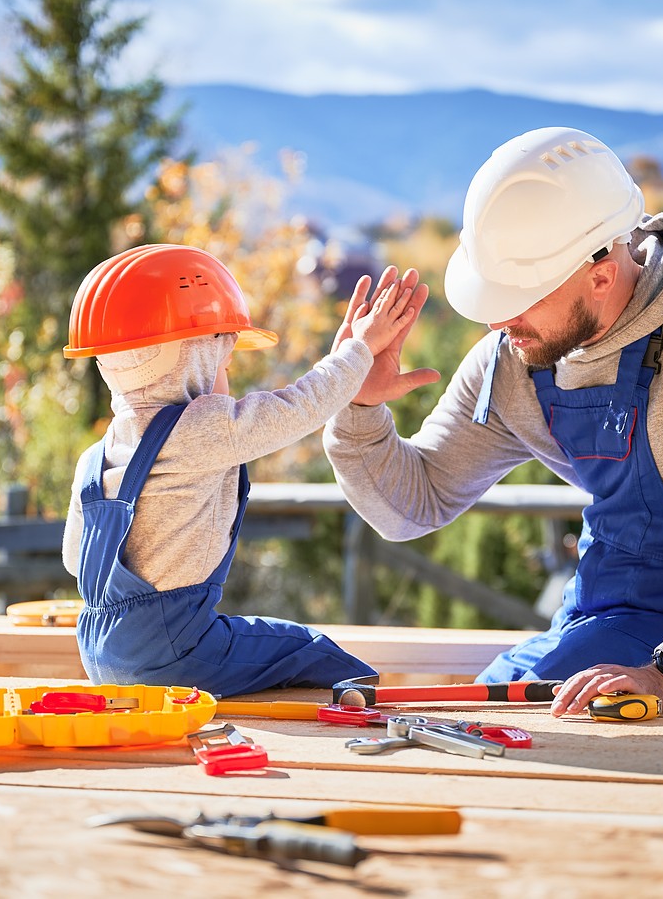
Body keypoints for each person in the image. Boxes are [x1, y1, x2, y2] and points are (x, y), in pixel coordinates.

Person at [323, 126, 663, 716]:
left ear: (601, 272)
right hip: (603, 620)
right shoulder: (520, 350)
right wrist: (358, 407)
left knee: (537, 739)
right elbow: (413, 502)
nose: (496, 322)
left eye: (518, 296)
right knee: (482, 723)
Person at [61, 243, 416, 696]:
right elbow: (302, 406)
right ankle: (364, 715)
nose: (229, 380)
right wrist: (359, 351)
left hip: (98, 654)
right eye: (224, 362)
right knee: (312, 652)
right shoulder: (201, 429)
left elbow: (77, 559)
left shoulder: (96, 457)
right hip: (178, 652)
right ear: (193, 358)